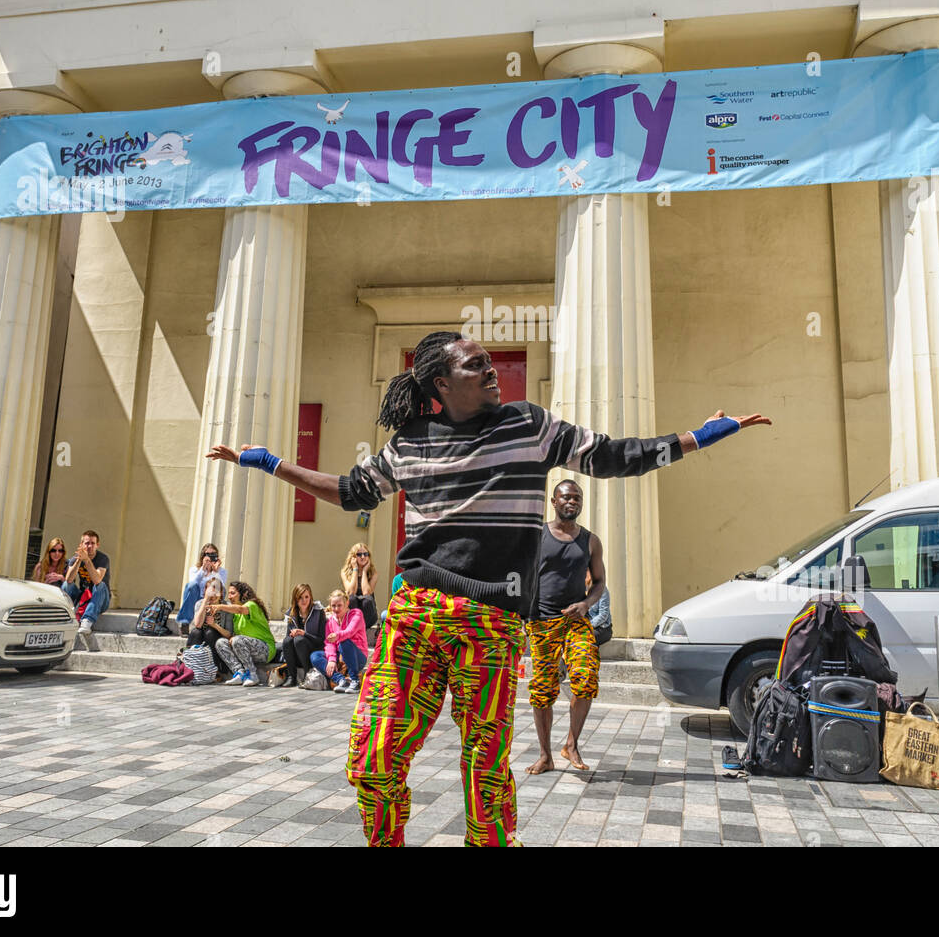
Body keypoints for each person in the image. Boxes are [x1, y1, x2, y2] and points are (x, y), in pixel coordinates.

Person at [208, 330, 770, 847]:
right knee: (373, 760)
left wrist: (702, 436)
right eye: (476, 365)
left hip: (491, 623)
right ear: (442, 384)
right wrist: (268, 462)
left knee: (486, 770)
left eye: (490, 362)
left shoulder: (529, 425)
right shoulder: (409, 443)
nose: (492, 369)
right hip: (415, 617)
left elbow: (616, 455)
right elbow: (350, 491)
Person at [525, 480, 606, 774]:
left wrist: (586, 604)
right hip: (542, 622)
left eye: (577, 497)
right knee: (542, 690)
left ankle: (571, 744)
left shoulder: (591, 541)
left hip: (576, 620)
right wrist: (524, 613)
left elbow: (599, 583)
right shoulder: (538, 536)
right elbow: (523, 575)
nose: (572, 501)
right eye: (566, 497)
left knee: (586, 677)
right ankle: (545, 755)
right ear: (554, 502)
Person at [212, 581, 275, 687]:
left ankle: (252, 675)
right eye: (229, 594)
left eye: (233, 593)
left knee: (238, 640)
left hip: (265, 649)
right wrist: (214, 624)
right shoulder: (236, 616)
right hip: (246, 648)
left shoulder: (252, 605)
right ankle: (239, 673)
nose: (229, 597)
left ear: (243, 594)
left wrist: (220, 607)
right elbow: (232, 636)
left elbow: (241, 609)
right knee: (221, 642)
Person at [60, 530, 112, 650]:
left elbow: (97, 579)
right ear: (81, 544)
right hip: (84, 598)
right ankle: (66, 614)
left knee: (100, 585)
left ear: (97, 545)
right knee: (66, 585)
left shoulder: (103, 559)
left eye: (93, 543)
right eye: (87, 543)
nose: (89, 546)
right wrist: (79, 560)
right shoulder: (75, 558)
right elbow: (68, 580)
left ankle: (87, 620)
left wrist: (87, 561)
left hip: (101, 599)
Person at [310, 590, 369, 694]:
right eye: (333, 606)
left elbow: (349, 632)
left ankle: (354, 681)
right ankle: (341, 680)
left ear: (347, 604)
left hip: (356, 657)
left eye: (339, 605)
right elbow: (329, 643)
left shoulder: (356, 614)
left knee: (344, 642)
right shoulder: (330, 622)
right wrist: (332, 660)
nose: (336, 609)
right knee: (315, 656)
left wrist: (337, 636)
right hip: (340, 656)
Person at [279, 583, 326, 688]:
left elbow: (322, 640)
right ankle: (292, 676)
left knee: (299, 640)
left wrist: (305, 634)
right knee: (287, 641)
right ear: (295, 599)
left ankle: (307, 674)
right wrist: (292, 634)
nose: (304, 600)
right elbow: (288, 639)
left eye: (306, 597)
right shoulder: (291, 614)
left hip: (313, 651)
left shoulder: (318, 612)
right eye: (300, 597)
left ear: (311, 597)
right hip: (297, 654)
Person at [187, 576, 234, 680]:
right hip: (200, 641)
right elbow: (198, 624)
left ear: (221, 593)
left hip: (217, 641)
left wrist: (215, 625)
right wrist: (205, 601)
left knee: (210, 632)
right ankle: (191, 668)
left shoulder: (226, 606)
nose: (213, 594)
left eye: (216, 590)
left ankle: (215, 670)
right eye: (210, 590)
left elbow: (229, 634)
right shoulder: (200, 603)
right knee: (196, 632)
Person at [176, 543, 228, 636]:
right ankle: (184, 623)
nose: (210, 557)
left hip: (213, 599)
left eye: (213, 554)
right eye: (207, 554)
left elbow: (220, 588)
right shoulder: (194, 569)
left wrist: (215, 572)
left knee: (221, 588)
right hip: (197, 598)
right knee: (191, 585)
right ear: (202, 556)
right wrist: (203, 569)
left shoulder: (222, 571)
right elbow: (193, 584)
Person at [341, 544, 378, 632]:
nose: (362, 557)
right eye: (359, 554)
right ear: (353, 557)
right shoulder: (344, 572)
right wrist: (355, 569)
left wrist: (364, 571)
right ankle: (355, 627)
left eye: (365, 554)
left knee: (367, 600)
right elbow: (351, 592)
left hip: (368, 614)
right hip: (352, 614)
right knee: (352, 598)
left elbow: (366, 593)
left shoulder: (373, 573)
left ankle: (359, 628)